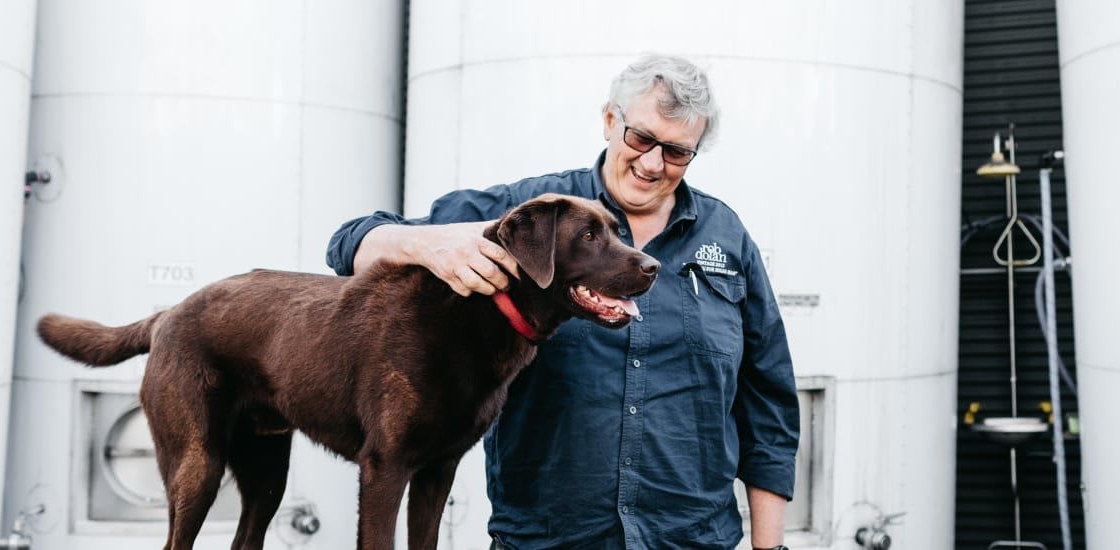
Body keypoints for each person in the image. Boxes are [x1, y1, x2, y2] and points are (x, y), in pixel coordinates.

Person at [327, 55, 799, 550]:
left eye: (677, 152)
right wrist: (427, 244)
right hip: (546, 541)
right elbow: (351, 243)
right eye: (641, 138)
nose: (653, 163)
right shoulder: (530, 217)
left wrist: (771, 548)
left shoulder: (727, 240)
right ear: (610, 120)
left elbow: (768, 404)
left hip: (694, 540)